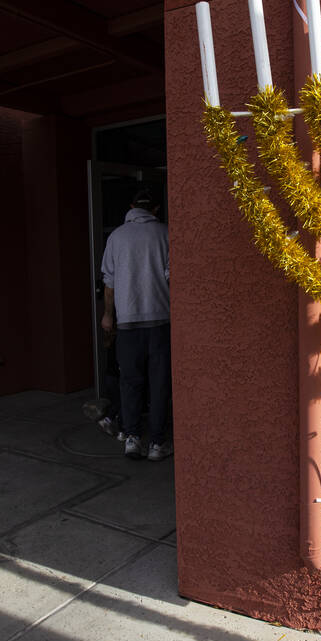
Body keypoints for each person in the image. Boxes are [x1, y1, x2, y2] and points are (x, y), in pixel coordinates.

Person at [100, 189, 171, 461]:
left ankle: (131, 438)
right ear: (155, 209)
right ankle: (156, 443)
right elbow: (172, 278)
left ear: (131, 208)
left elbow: (109, 284)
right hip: (160, 322)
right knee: (159, 383)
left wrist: (109, 316)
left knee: (130, 382)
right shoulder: (165, 233)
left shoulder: (116, 237)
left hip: (128, 323)